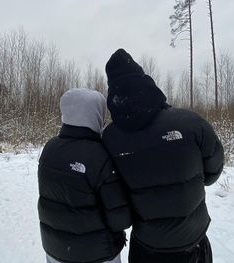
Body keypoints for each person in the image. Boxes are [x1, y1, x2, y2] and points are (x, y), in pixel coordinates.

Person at [102, 49, 224, 263]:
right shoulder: (190, 122)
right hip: (192, 244)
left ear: (114, 95)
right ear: (147, 83)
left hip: (146, 247)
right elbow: (213, 171)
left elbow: (111, 190)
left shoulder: (109, 139)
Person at [38, 88, 131, 263]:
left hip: (54, 250)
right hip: (96, 254)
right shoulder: (99, 155)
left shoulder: (49, 148)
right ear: (96, 113)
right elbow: (120, 218)